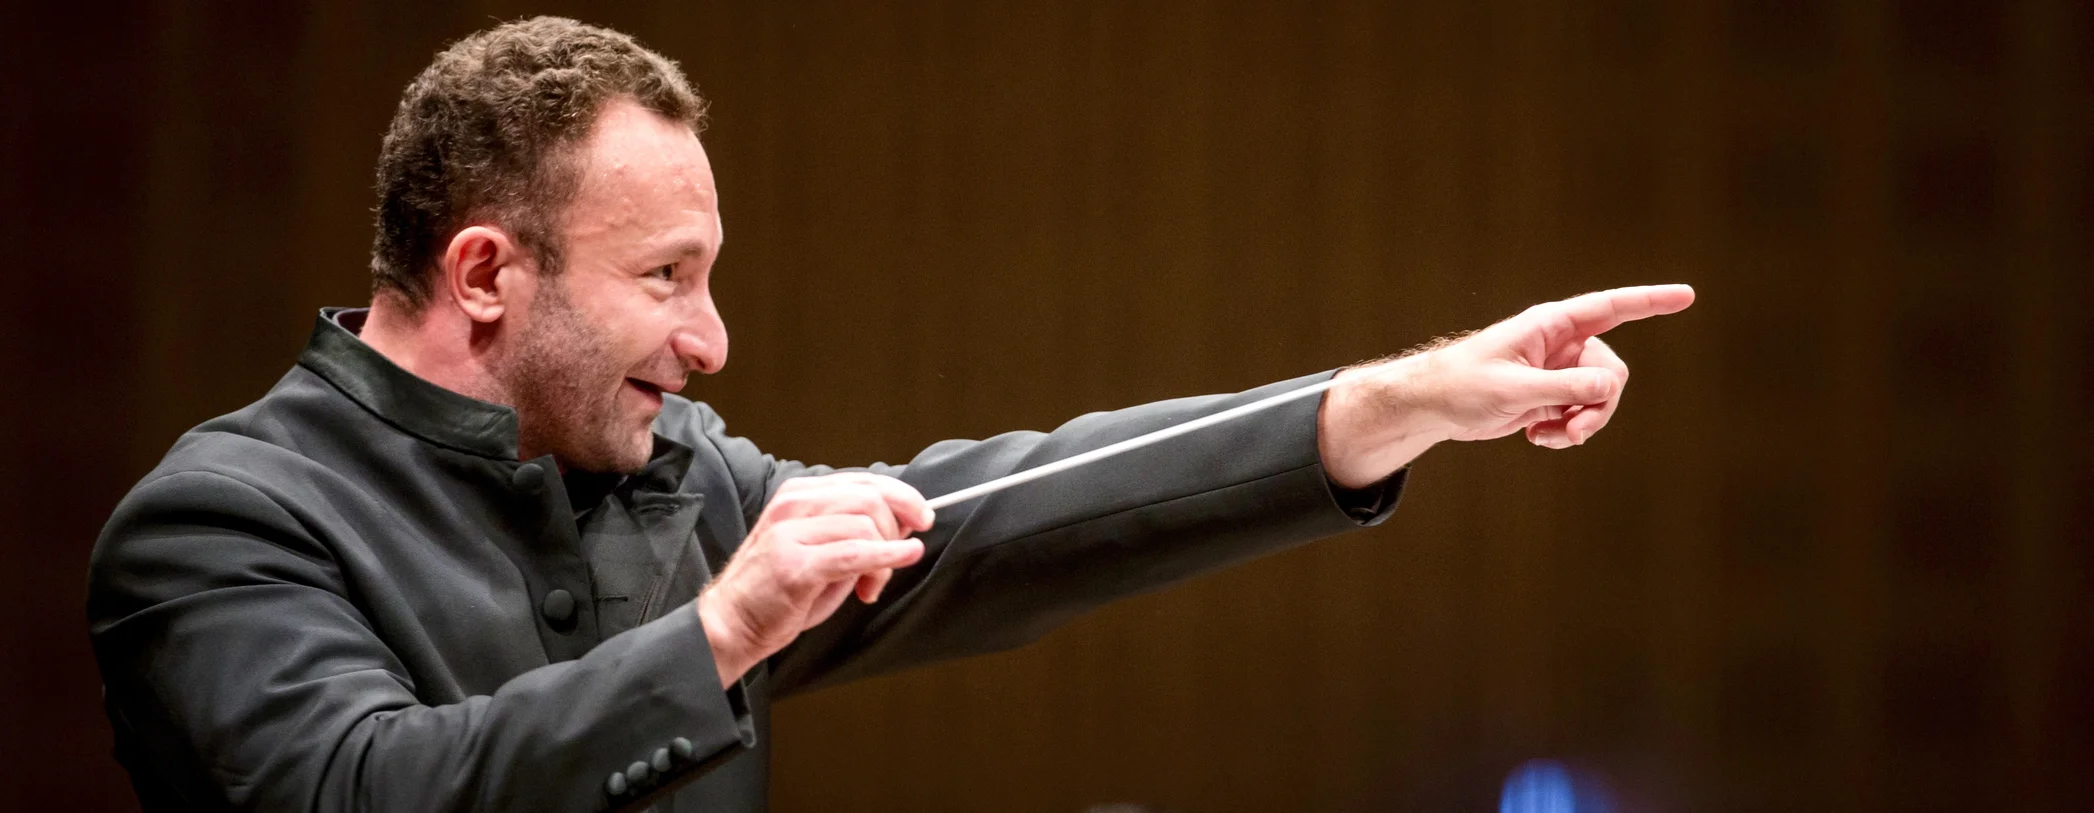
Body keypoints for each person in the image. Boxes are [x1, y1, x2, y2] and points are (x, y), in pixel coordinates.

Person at [86, 16, 1694, 813]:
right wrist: (715, 637)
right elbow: (360, 796)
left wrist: (1392, 400)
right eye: (666, 277)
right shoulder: (226, 520)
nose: (711, 339)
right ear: (489, 271)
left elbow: (1011, 514)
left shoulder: (668, 483)